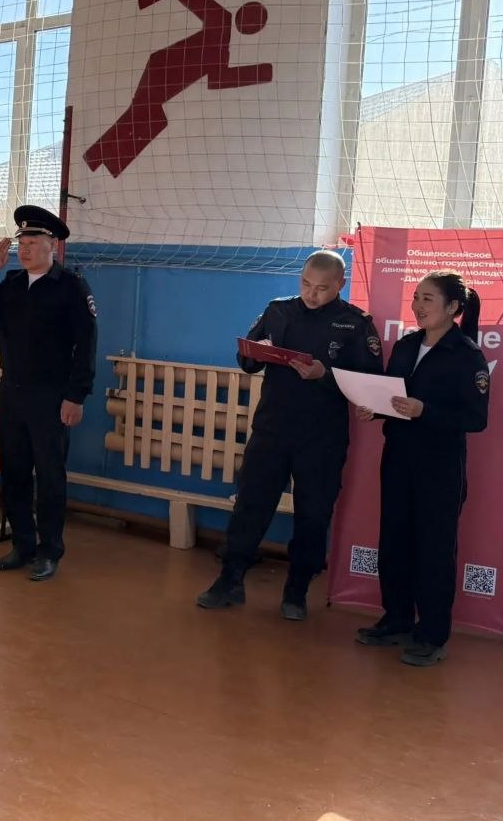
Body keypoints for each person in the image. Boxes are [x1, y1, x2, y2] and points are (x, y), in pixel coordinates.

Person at [198, 251, 382, 618]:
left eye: (322, 288)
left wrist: (324, 375)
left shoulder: (356, 323)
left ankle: (296, 590)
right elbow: (246, 359)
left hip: (322, 438)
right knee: (250, 505)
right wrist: (257, 355)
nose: (312, 294)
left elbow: (370, 381)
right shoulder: (278, 310)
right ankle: (229, 579)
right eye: (306, 284)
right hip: (272, 429)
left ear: (340, 285)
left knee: (313, 514)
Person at [355, 271, 490, 667]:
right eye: (416, 297)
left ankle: (432, 635)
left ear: (453, 307)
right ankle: (396, 619)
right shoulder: (406, 346)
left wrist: (424, 411)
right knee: (394, 540)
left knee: (434, 549)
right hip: (398, 459)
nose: (417, 306)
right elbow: (393, 396)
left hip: (440, 467)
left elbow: (476, 419)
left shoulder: (467, 355)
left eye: (427, 299)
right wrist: (374, 408)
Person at [0, 205, 97, 582]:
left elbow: (86, 345)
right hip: (13, 393)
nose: (24, 249)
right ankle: (23, 544)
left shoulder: (70, 287)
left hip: (52, 396)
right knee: (14, 471)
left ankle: (49, 550)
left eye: (33, 242)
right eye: (21, 242)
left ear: (53, 246)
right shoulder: (12, 284)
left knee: (50, 476)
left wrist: (76, 396)